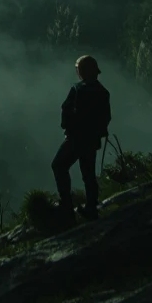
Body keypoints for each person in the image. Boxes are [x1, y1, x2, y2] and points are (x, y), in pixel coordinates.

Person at [52, 54, 111, 223]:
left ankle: (66, 208)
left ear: (82, 71)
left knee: (58, 166)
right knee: (89, 174)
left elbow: (68, 112)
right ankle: (91, 208)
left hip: (76, 138)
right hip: (91, 140)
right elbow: (105, 117)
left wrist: (68, 128)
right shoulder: (103, 92)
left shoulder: (78, 89)